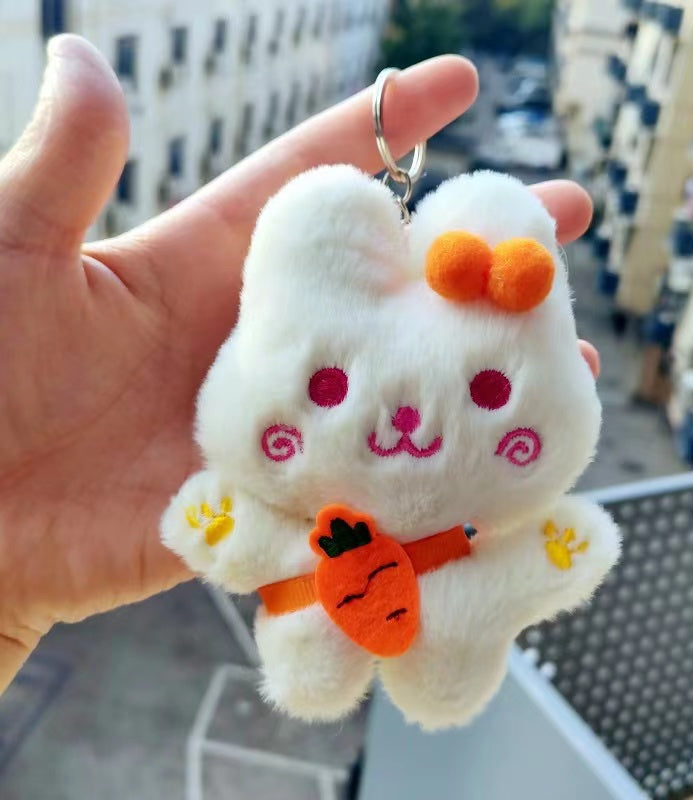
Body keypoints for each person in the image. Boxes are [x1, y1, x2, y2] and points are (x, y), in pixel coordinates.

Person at [0, 35, 600, 694]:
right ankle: (382, 663)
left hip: (447, 578)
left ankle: (448, 656)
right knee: (339, 644)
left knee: (459, 623)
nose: (404, 422)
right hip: (330, 574)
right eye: (329, 388)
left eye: (488, 390)